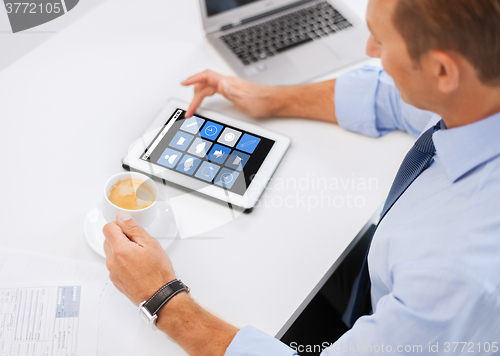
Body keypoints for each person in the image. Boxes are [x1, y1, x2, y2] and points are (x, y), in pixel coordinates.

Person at [103, 0, 500, 354]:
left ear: (443, 70)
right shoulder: (479, 92)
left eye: (380, 40)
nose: (369, 51)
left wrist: (162, 300)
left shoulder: (457, 273)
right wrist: (270, 98)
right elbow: (391, 96)